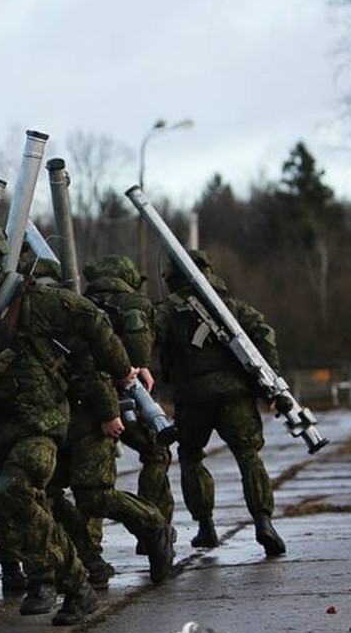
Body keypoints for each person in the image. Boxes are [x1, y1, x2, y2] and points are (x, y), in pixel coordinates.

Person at [0, 214, 137, 626]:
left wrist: (123, 369)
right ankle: (46, 579)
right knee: (20, 506)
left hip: (39, 419)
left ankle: (76, 585)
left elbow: (93, 320)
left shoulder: (32, 299)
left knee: (15, 491)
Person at [41, 252, 177, 591]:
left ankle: (153, 525)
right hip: (57, 417)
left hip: (91, 415)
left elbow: (92, 364)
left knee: (93, 497)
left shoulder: (78, 313)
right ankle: (90, 561)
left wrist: (107, 413)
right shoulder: (40, 315)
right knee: (49, 495)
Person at [154, 249, 287, 557]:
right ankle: (264, 521)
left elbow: (149, 335)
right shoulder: (233, 308)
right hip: (235, 395)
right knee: (248, 455)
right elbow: (264, 335)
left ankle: (205, 526)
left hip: (193, 398)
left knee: (190, 457)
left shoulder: (170, 311)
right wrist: (270, 381)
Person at [81, 254, 175, 550]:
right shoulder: (138, 305)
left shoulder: (76, 304)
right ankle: (153, 529)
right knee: (157, 453)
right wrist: (140, 364)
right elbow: (151, 336)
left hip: (83, 401)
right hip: (129, 395)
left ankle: (91, 553)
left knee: (92, 481)